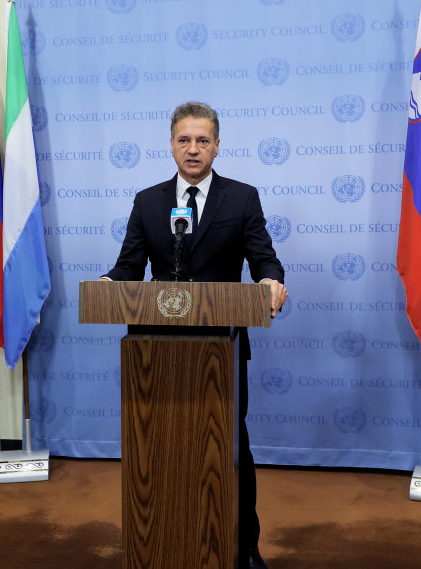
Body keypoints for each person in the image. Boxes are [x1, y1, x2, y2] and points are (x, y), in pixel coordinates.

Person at [102, 101, 287, 569]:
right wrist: (107, 285)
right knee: (157, 445)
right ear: (170, 145)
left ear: (217, 146)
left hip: (220, 349)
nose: (193, 148)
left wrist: (269, 280)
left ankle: (244, 546)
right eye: (184, 140)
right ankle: (159, 540)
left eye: (202, 140)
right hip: (156, 351)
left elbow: (263, 257)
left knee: (231, 449)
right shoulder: (148, 201)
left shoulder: (242, 198)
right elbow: (129, 267)